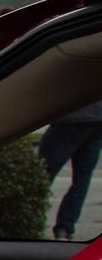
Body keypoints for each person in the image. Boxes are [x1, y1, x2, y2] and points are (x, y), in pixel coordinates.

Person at [38, 99, 102, 240]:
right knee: (82, 178)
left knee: (40, 173)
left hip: (71, 115)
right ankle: (65, 227)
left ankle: (29, 218)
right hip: (97, 116)